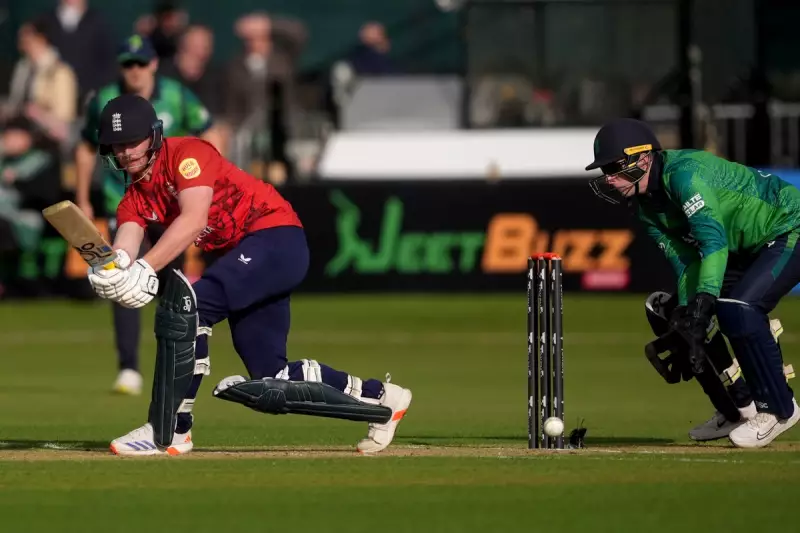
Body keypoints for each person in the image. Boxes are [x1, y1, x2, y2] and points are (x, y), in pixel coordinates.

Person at [85, 93, 412, 456]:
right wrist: (113, 271)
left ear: (154, 135)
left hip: (275, 237)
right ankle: (383, 400)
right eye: (118, 145)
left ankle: (170, 430)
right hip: (246, 260)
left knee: (188, 308)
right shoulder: (134, 197)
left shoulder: (188, 154)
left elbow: (193, 219)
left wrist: (146, 267)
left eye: (133, 141)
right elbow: (125, 246)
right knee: (273, 378)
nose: (126, 152)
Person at [585, 117, 800, 448]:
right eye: (605, 171)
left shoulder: (684, 176)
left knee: (739, 308)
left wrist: (703, 305)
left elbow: (712, 243)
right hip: (744, 247)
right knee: (672, 314)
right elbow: (687, 261)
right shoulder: (645, 207)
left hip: (788, 225)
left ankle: (779, 409)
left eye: (614, 168)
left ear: (643, 157)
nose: (609, 179)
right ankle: (737, 408)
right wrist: (690, 315)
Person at [75, 34, 221, 396]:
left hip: (171, 205)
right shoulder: (104, 100)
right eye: (128, 64)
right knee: (121, 277)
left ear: (153, 64)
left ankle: (176, 361)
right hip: (124, 201)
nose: (135, 70)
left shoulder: (176, 95)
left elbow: (209, 132)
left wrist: (204, 185)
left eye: (141, 63)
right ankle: (128, 368)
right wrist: (83, 198)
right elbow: (85, 147)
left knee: (172, 283)